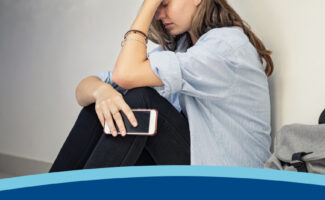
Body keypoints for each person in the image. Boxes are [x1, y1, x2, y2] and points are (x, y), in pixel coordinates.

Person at [49, 0, 274, 172]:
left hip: (227, 177)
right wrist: (101, 92)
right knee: (100, 106)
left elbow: (126, 75)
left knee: (142, 102)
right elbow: (85, 89)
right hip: (195, 164)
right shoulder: (181, 50)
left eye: (164, 3)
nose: (159, 13)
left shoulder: (226, 46)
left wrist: (146, 8)